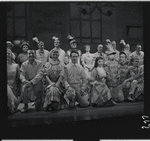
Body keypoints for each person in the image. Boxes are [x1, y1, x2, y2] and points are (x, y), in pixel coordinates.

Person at [7, 48, 20, 113]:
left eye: (8, 53)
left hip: (14, 87)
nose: (7, 55)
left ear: (11, 55)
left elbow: (18, 79)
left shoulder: (16, 66)